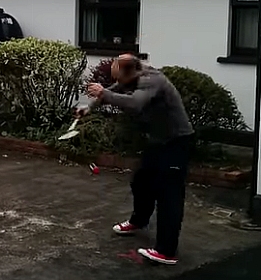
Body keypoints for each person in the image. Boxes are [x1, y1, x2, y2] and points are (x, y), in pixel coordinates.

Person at [75, 54, 194, 265]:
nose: (119, 82)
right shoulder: (132, 75)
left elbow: (135, 103)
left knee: (169, 196)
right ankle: (139, 221)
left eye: (120, 78)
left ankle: (166, 251)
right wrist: (89, 107)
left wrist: (103, 92)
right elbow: (113, 90)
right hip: (158, 141)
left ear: (131, 72)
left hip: (176, 142)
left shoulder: (151, 80)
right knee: (141, 181)